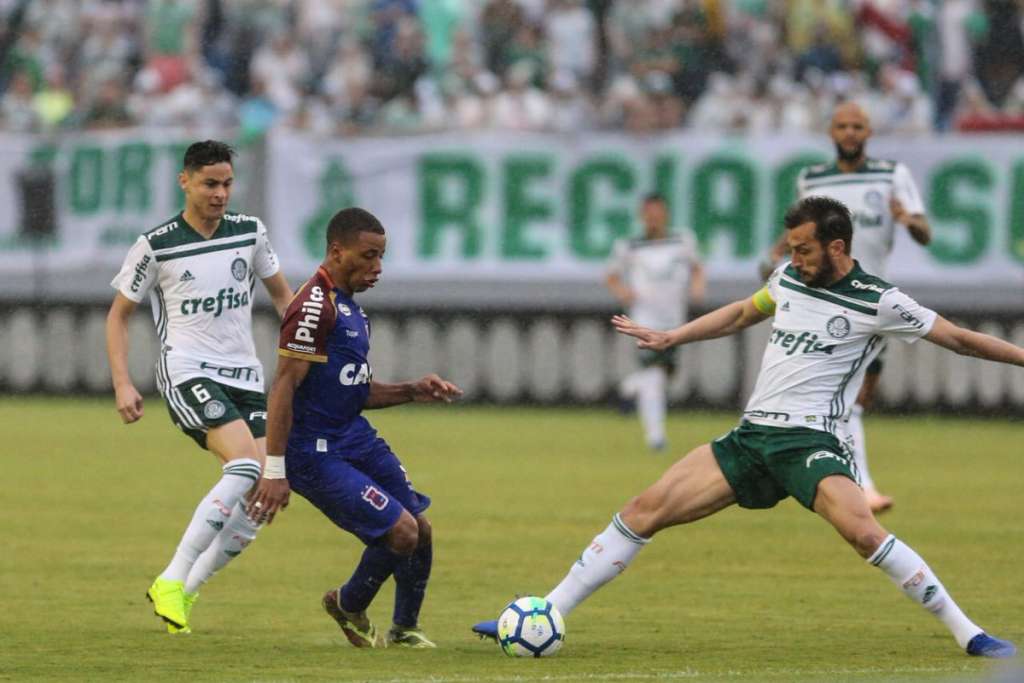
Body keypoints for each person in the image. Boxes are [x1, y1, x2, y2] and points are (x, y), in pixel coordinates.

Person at [473, 196, 1017, 659]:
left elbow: (961, 338)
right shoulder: (786, 278)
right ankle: (544, 615)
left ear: (837, 247)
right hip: (752, 438)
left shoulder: (881, 301)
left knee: (864, 533)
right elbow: (738, 314)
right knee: (643, 510)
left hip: (811, 442)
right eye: (791, 248)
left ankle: (968, 633)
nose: (792, 258)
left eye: (803, 249)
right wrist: (671, 337)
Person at [248, 207, 463, 648]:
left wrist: (411, 390)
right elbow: (283, 386)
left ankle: (404, 629)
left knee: (420, 530)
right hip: (314, 450)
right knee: (401, 532)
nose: (377, 268)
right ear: (336, 251)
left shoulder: (350, 308)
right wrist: (274, 469)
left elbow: (355, 391)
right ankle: (348, 603)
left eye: (381, 256)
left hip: (352, 434)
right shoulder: (312, 307)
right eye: (368, 256)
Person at [106, 140, 293, 634]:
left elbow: (284, 300)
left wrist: (307, 354)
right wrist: (123, 383)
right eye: (210, 183)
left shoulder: (250, 233)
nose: (220, 193)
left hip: (247, 376)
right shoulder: (157, 244)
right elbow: (118, 316)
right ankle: (171, 576)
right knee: (248, 464)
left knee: (262, 495)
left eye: (227, 183)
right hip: (188, 370)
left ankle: (182, 594)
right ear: (184, 181)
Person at [760, 102, 931, 513]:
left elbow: (925, 233)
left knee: (856, 398)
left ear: (869, 132)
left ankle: (803, 464)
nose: (850, 133)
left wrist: (908, 219)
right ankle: (862, 487)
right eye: (843, 126)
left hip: (871, 298)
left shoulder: (891, 175)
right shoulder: (813, 179)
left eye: (857, 126)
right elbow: (802, 233)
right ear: (831, 132)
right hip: (825, 300)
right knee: (847, 398)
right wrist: (775, 254)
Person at [605, 192, 705, 451]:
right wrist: (623, 292)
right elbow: (611, 276)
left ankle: (629, 387)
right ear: (641, 216)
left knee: (665, 374)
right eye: (648, 214)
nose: (653, 218)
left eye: (657, 212)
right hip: (645, 319)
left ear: (665, 214)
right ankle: (656, 437)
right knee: (655, 374)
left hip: (674, 318)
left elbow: (697, 268)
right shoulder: (630, 246)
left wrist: (697, 288)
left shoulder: (682, 240)